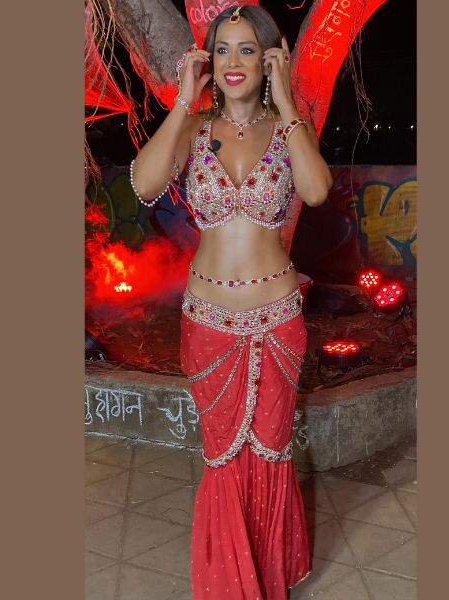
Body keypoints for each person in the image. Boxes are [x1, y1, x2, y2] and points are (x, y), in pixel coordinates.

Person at [130, 5, 332, 599]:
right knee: (222, 456)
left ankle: (268, 577)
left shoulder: (289, 129)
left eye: (247, 50)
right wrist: (180, 102)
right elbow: (144, 184)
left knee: (271, 451)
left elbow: (316, 190)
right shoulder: (193, 129)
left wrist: (288, 105)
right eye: (222, 50)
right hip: (209, 325)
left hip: (277, 321)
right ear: (208, 62)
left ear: (268, 60)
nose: (233, 62)